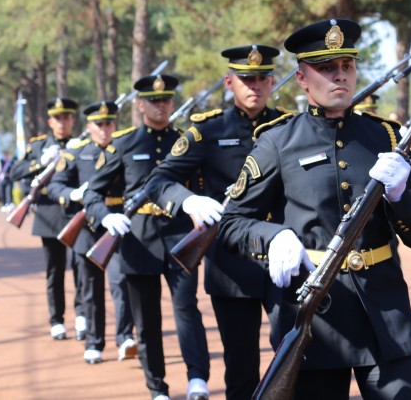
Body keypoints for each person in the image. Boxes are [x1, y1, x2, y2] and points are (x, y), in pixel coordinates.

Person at [218, 19, 411, 399]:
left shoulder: (386, 137)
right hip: (317, 314)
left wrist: (400, 196)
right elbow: (232, 222)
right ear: (302, 79)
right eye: (327, 68)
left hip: (384, 312)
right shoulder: (278, 141)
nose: (340, 75)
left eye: (347, 66)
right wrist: (274, 237)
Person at [145, 45, 284, 399]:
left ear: (272, 82)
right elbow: (158, 182)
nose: (255, 85)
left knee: (294, 356)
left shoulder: (288, 126)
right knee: (241, 368)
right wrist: (189, 200)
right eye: (246, 79)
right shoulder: (208, 130)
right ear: (229, 82)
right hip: (232, 263)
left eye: (262, 78)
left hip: (283, 256)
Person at [84, 75, 211, 400]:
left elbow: (201, 185)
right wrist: (106, 216)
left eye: (166, 99)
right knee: (147, 319)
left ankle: (197, 378)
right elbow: (93, 193)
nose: (161, 105)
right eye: (154, 101)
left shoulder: (185, 141)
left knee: (186, 308)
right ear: (140, 105)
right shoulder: (123, 144)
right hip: (138, 240)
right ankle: (157, 387)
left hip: (180, 236)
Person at [47, 101, 136, 364]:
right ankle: (94, 342)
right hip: (88, 226)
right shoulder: (77, 152)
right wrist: (73, 194)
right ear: (89, 126)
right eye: (99, 124)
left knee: (121, 282)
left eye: (109, 123)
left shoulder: (124, 149)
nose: (104, 129)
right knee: (90, 286)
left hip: (118, 223)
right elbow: (56, 186)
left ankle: (125, 337)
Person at [9, 97, 85, 341]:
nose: (62, 122)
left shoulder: (81, 143)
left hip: (75, 211)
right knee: (55, 270)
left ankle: (82, 315)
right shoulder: (39, 146)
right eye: (58, 118)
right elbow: (14, 171)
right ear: (50, 121)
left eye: (66, 117)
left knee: (81, 267)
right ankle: (57, 320)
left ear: (72, 120)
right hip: (49, 213)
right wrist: (39, 162)